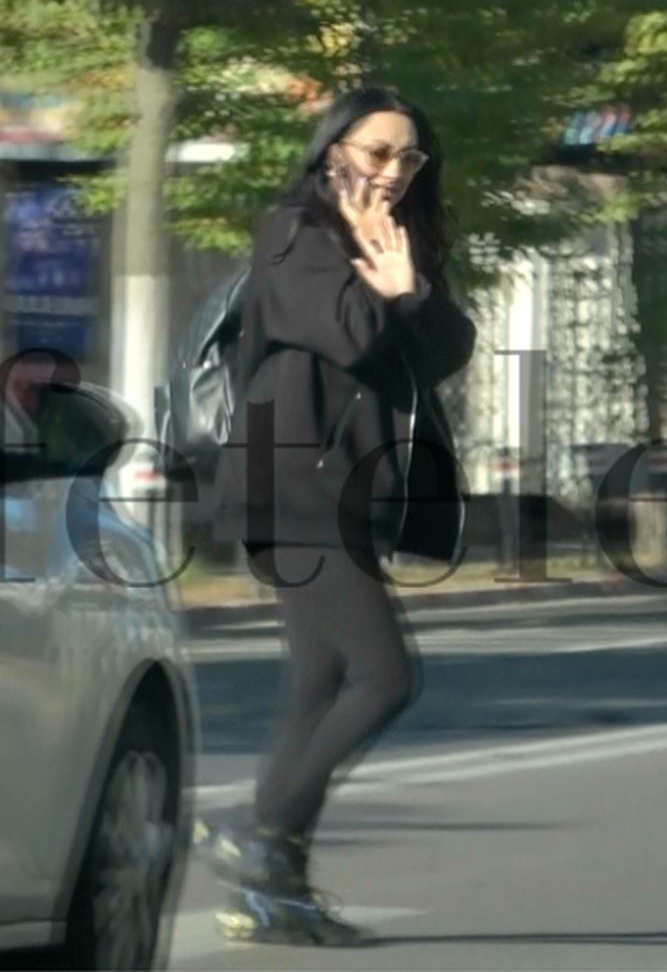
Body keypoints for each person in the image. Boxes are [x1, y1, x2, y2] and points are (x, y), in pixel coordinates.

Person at [199, 86, 478, 946]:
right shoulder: (295, 234)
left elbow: (447, 347)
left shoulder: (395, 241)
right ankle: (256, 826)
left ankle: (273, 892)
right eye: (376, 151)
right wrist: (387, 286)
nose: (392, 171)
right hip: (291, 484)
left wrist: (410, 288)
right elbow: (353, 334)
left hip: (346, 488)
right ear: (333, 151)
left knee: (318, 683)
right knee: (386, 676)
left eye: (408, 157)